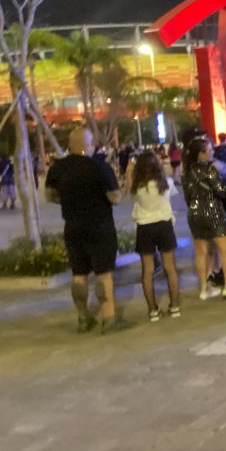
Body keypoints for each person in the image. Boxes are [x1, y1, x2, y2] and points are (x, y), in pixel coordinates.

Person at [45, 126, 131, 334]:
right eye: (92, 142)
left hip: (73, 227)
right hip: (99, 226)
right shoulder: (99, 166)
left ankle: (83, 317)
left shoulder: (58, 168)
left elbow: (50, 196)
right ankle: (108, 317)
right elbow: (115, 197)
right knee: (103, 273)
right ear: (88, 145)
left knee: (79, 273)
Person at [181, 136, 226, 301]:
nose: (212, 153)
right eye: (209, 150)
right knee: (224, 250)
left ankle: (204, 288)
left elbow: (188, 197)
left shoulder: (186, 172)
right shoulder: (210, 169)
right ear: (201, 154)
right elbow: (221, 191)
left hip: (194, 213)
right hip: (213, 211)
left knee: (200, 252)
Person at [128, 150, 181, 321]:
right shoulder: (166, 183)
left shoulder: (138, 188)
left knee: (147, 271)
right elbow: (172, 194)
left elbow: (129, 194)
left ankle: (152, 310)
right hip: (164, 225)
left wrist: (129, 172)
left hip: (144, 227)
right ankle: (174, 306)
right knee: (170, 268)